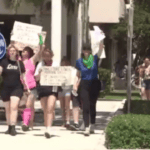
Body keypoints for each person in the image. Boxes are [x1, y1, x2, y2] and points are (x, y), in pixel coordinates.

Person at [73, 42, 103, 136]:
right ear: (82, 51)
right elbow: (78, 75)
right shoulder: (79, 61)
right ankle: (86, 127)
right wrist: (75, 85)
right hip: (84, 84)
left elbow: (100, 51)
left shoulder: (94, 58)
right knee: (85, 105)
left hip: (94, 83)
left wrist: (101, 42)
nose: (86, 52)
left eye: (88, 50)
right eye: (85, 50)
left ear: (90, 51)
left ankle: (92, 124)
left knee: (92, 105)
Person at [0, 45, 25, 136]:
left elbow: (23, 76)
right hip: (5, 88)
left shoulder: (20, 63)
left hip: (16, 87)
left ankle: (13, 127)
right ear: (8, 52)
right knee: (7, 109)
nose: (12, 52)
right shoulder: (4, 62)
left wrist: (27, 87)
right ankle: (9, 127)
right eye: (10, 50)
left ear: (17, 52)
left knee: (14, 107)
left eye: (14, 50)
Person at [34, 48, 59, 138]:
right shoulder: (40, 64)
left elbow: (60, 76)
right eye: (45, 55)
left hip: (52, 88)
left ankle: (48, 128)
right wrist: (40, 74)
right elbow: (36, 78)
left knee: (50, 107)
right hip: (43, 89)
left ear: (51, 55)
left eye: (48, 55)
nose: (46, 57)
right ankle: (46, 126)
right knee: (45, 109)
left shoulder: (55, 64)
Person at [21, 42, 45, 131]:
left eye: (26, 51)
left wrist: (41, 42)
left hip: (32, 86)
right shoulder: (19, 62)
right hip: (22, 86)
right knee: (27, 106)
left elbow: (39, 51)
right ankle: (29, 123)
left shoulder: (32, 60)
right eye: (23, 51)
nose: (25, 52)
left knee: (29, 104)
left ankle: (25, 123)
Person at [58, 56, 80, 130]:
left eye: (65, 63)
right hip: (61, 89)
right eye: (62, 64)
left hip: (68, 89)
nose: (64, 65)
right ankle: (64, 121)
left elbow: (76, 77)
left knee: (67, 105)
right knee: (62, 106)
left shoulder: (73, 70)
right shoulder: (59, 70)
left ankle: (67, 121)